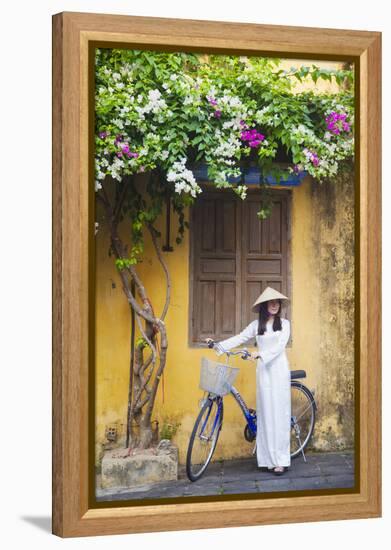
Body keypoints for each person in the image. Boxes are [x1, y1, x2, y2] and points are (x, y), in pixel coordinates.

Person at [206, 286, 291, 476]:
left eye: (277, 302)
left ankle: (282, 460)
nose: (274, 305)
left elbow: (279, 347)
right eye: (271, 302)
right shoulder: (256, 325)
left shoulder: (285, 324)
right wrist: (219, 345)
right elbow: (240, 337)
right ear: (264, 305)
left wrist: (261, 354)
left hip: (278, 371)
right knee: (266, 414)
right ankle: (269, 460)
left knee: (280, 415)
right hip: (263, 373)